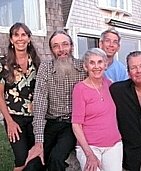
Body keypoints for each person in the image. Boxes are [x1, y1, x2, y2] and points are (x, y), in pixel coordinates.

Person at [25, 30, 87, 171]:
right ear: (51, 49)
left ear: (72, 46)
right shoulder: (46, 68)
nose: (61, 49)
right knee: (33, 163)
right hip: (51, 122)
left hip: (72, 124)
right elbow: (40, 104)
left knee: (57, 159)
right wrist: (38, 141)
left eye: (65, 44)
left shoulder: (83, 68)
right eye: (56, 46)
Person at [72, 48, 123, 171]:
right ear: (85, 67)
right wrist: (89, 154)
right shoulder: (80, 89)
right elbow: (76, 125)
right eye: (92, 63)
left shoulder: (110, 85)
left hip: (113, 144)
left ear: (105, 65)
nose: (96, 66)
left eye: (100, 62)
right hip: (90, 146)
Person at [0, 23, 40, 171]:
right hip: (14, 118)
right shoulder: (3, 64)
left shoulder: (37, 63)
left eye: (23, 35)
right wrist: (9, 122)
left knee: (35, 159)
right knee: (21, 161)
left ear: (29, 38)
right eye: (16, 35)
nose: (20, 38)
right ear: (11, 39)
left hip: (34, 118)